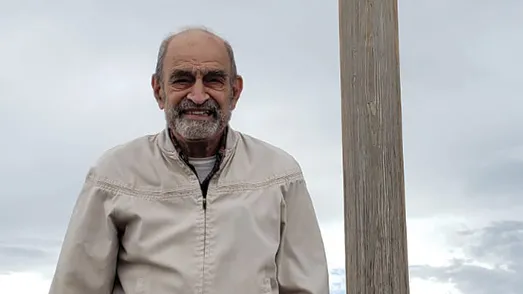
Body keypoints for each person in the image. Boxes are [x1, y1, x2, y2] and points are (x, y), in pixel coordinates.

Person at [49, 27, 329, 294]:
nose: (197, 95)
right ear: (159, 90)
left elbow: (306, 288)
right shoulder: (114, 176)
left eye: (213, 79)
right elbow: (76, 287)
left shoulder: (279, 175)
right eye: (182, 79)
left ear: (235, 91)